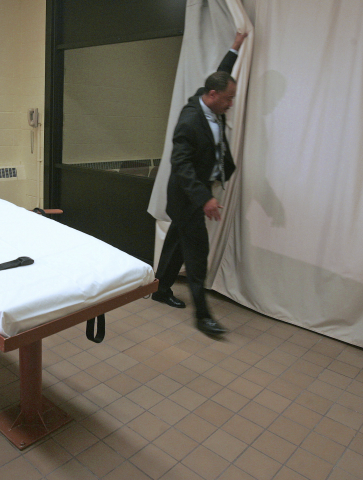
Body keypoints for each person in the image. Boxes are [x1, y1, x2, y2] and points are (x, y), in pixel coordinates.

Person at [152, 31, 247, 336]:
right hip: (187, 196)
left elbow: (221, 76)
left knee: (177, 243)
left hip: (194, 195)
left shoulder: (213, 100)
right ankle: (202, 316)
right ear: (213, 95)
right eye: (229, 99)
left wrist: (234, 47)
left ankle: (160, 287)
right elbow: (180, 165)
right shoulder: (190, 120)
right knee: (197, 253)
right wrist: (204, 197)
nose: (231, 104)